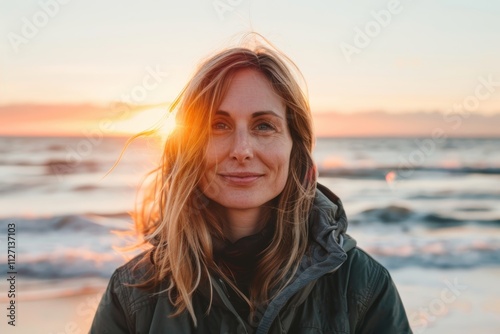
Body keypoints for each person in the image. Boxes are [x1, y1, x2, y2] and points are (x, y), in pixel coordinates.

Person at [90, 36, 412, 333]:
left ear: (295, 149)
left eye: (263, 126)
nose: (241, 150)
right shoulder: (132, 295)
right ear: (189, 146)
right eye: (219, 125)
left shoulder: (361, 287)